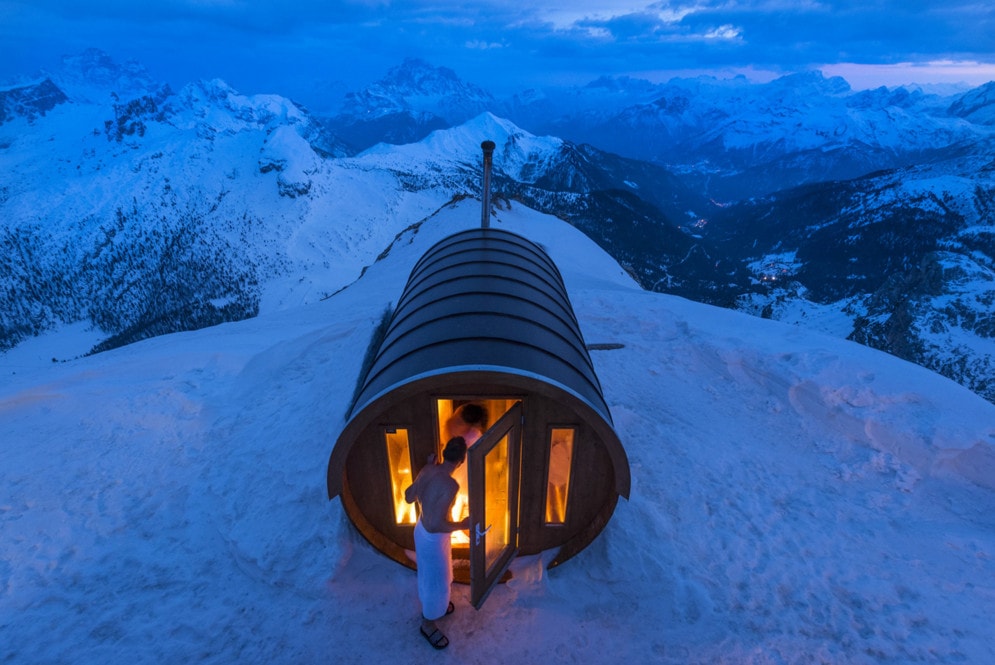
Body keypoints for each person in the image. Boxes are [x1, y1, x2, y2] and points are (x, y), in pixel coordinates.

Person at [404, 437, 470, 650]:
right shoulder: (450, 485)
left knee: (431, 574)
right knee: (436, 582)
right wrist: (462, 524)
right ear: (462, 460)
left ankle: (437, 606)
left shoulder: (428, 469)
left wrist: (425, 471)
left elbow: (408, 497)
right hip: (432, 537)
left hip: (421, 531)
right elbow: (436, 524)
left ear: (443, 452)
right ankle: (428, 623)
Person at [445, 404, 487, 523]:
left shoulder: (458, 421)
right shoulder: (461, 427)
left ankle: (464, 517)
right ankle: (459, 520)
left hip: (464, 459)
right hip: (464, 460)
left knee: (463, 490)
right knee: (462, 489)